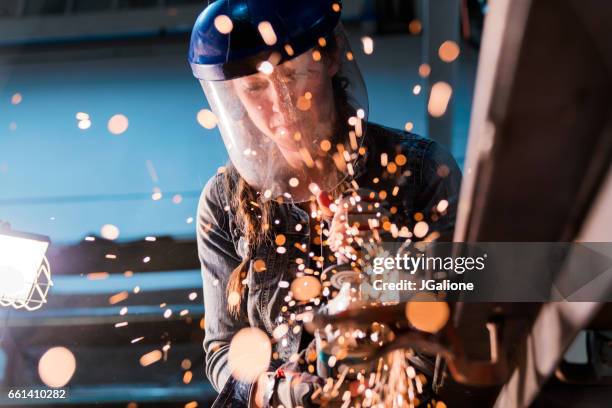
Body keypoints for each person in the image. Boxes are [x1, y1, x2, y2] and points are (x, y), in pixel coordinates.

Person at [189, 1, 462, 406]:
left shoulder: (420, 171)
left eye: (293, 74)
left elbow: (473, 301)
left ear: (332, 57)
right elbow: (224, 349)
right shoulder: (224, 203)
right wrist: (273, 390)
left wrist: (388, 259)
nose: (280, 103)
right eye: (255, 88)